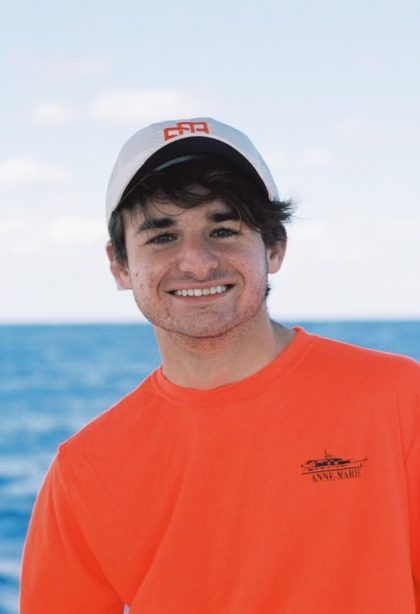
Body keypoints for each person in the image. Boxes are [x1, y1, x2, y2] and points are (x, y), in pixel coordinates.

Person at [20, 118, 420, 613]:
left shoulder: (399, 399)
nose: (198, 262)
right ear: (120, 265)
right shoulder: (84, 468)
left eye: (224, 230)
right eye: (162, 237)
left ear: (274, 247)